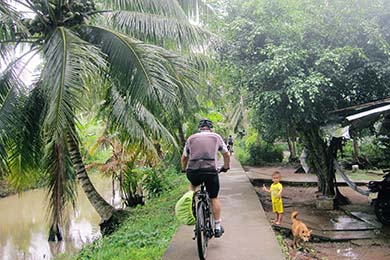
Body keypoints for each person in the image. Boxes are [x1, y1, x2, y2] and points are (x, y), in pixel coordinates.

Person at [181, 119, 230, 238]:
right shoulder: (216, 137)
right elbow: (226, 154)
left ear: (199, 128)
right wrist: (225, 167)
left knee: (193, 184)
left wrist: (184, 169)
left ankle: (192, 200)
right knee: (214, 197)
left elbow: (184, 158)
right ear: (210, 128)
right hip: (210, 172)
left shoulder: (191, 138)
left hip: (194, 172)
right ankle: (217, 227)